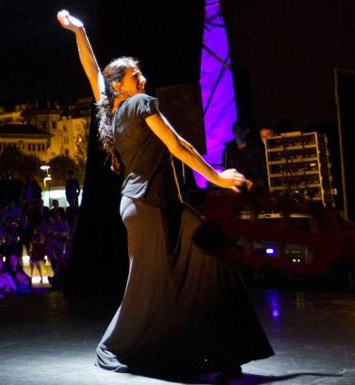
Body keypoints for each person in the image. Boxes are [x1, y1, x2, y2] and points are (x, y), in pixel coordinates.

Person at [57, 10, 273, 377]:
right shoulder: (139, 104)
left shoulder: (110, 109)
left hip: (150, 204)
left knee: (206, 255)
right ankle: (131, 345)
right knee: (152, 288)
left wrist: (79, 31)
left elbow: (92, 69)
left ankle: (221, 347)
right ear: (121, 85)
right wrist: (218, 178)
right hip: (149, 205)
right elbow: (180, 146)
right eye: (134, 74)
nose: (143, 78)